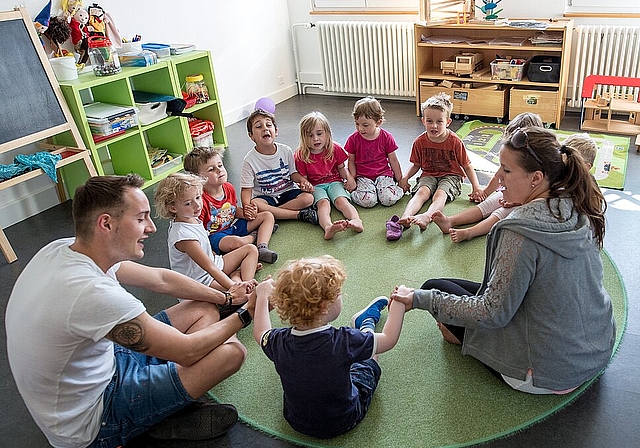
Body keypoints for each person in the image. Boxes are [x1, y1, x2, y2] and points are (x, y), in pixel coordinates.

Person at [6, 174, 258, 448]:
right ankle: (158, 413)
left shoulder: (63, 249)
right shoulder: (92, 293)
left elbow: (162, 279)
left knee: (203, 308)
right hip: (94, 421)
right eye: (141, 218)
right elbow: (188, 351)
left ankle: (164, 395)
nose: (151, 228)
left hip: (103, 366)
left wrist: (225, 297)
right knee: (232, 353)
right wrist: (245, 313)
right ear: (106, 223)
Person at [392, 126, 615, 394]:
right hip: (595, 347)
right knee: (443, 285)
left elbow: (491, 313)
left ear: (536, 178)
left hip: (546, 372)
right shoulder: (575, 202)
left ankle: (461, 337)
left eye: (506, 171)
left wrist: (418, 300)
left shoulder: (520, 231)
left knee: (430, 289)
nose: (498, 179)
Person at [253, 255, 412, 439]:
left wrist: (262, 295)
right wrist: (399, 303)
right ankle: (366, 323)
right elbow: (388, 339)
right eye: (338, 295)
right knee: (368, 363)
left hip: (296, 420)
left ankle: (365, 327)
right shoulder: (344, 340)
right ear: (324, 306)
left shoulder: (278, 341)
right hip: (344, 418)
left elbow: (260, 332)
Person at [432, 112, 544, 243]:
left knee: (500, 213)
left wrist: (518, 202)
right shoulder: (511, 159)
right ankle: (451, 221)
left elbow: (541, 197)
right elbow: (497, 176)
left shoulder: (538, 164)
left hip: (526, 202)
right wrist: (485, 193)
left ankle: (470, 232)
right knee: (486, 206)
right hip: (510, 193)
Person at [388, 92, 483, 241]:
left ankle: (427, 217)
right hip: (429, 174)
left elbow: (467, 165)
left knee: (440, 195)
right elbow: (416, 165)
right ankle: (406, 216)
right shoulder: (419, 141)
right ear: (423, 121)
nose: (434, 126)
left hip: (451, 176)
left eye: (439, 121)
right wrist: (405, 178)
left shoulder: (455, 141)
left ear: (448, 122)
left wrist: (476, 187)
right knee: (421, 192)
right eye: (429, 121)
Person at [154, 172, 261, 301]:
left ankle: (243, 282)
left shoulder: (192, 218)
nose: (197, 205)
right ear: (173, 208)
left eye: (198, 197)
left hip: (215, 266)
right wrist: (233, 287)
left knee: (251, 249)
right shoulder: (184, 236)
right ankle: (239, 282)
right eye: (188, 203)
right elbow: (209, 267)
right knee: (236, 297)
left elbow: (208, 252)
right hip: (201, 283)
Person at [184, 146, 278, 264]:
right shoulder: (200, 199)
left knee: (267, 216)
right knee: (237, 243)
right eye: (211, 169)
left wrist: (246, 214)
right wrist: (208, 251)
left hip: (232, 227)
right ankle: (256, 235)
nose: (219, 170)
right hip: (216, 236)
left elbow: (232, 210)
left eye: (220, 165)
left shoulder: (228, 187)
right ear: (198, 178)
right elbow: (199, 231)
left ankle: (262, 247)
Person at [240, 108, 319, 226]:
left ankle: (274, 214)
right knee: (256, 203)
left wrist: (303, 181)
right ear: (251, 136)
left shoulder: (285, 150)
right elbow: (246, 189)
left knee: (308, 198)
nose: (265, 128)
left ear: (276, 131)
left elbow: (293, 174)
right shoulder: (249, 160)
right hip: (266, 198)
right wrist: (247, 207)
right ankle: (297, 214)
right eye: (258, 126)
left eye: (268, 125)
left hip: (288, 192)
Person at [294, 111, 364, 240]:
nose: (315, 139)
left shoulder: (335, 148)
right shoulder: (300, 155)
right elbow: (303, 178)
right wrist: (305, 184)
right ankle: (328, 227)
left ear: (327, 133)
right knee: (323, 204)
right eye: (310, 135)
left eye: (319, 134)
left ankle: (356, 220)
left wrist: (349, 178)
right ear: (304, 137)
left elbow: (341, 168)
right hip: (316, 187)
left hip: (334, 182)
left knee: (341, 201)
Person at [344, 96, 405, 208]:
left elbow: (393, 160)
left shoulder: (386, 137)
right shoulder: (353, 139)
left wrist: (401, 179)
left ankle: (389, 189)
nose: (360, 129)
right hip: (363, 176)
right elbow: (351, 161)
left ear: (378, 122)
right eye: (357, 124)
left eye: (365, 125)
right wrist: (351, 179)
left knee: (388, 199)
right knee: (368, 202)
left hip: (383, 174)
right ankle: (355, 193)